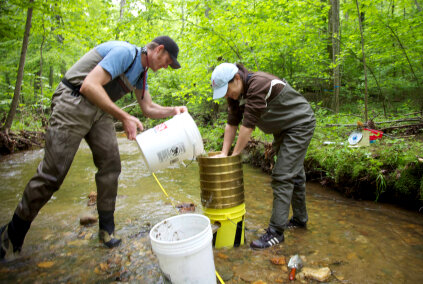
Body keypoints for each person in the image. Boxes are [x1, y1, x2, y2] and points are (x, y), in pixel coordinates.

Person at [0, 36, 187, 259]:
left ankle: (106, 230)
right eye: (168, 61)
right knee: (53, 175)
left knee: (111, 165)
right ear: (159, 49)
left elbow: (147, 108)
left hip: (99, 111)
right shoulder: (125, 53)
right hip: (72, 101)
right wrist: (124, 116)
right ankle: (12, 235)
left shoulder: (141, 73)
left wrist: (173, 110)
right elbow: (89, 85)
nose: (167, 66)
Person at [210, 63, 315, 249]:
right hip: (283, 129)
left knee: (282, 176)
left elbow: (247, 127)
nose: (227, 96)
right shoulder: (235, 94)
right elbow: (232, 123)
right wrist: (224, 154)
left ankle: (276, 232)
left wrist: (235, 156)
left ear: (236, 79)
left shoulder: (258, 84)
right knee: (295, 175)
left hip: (299, 124)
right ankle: (299, 220)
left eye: (226, 91)